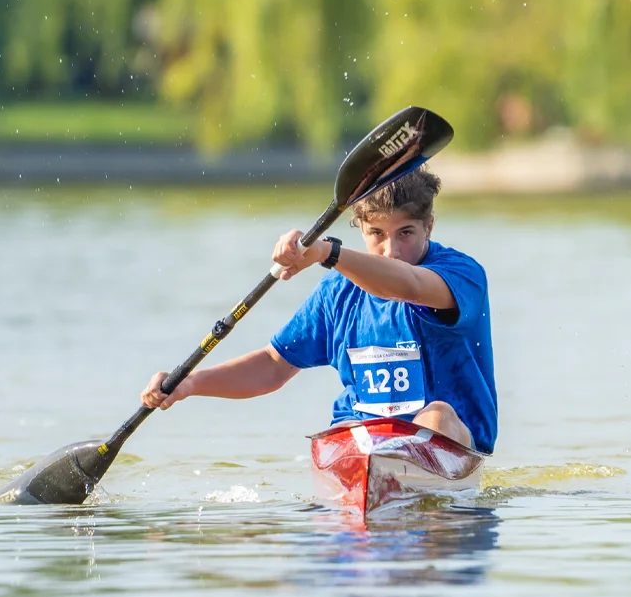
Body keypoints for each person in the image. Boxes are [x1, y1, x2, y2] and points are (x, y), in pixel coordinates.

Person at [140, 167, 497, 454]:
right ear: (359, 227)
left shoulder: (461, 275)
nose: (392, 250)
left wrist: (327, 252)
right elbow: (273, 365)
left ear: (429, 226)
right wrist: (190, 383)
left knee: (438, 415)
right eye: (376, 233)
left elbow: (408, 286)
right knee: (344, 433)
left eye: (405, 232)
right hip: (364, 439)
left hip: (448, 442)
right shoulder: (336, 294)